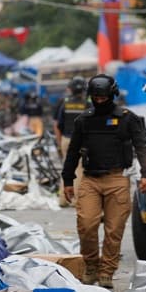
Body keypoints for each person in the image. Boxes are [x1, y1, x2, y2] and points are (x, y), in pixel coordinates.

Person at [61, 74, 146, 288]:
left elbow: (142, 148)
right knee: (86, 225)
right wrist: (68, 180)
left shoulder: (127, 118)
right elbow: (73, 152)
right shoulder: (83, 120)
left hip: (117, 179)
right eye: (96, 98)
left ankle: (107, 272)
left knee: (114, 230)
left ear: (112, 95)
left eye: (103, 97)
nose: (100, 101)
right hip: (90, 180)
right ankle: (91, 265)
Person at [53, 77, 89, 206]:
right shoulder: (87, 103)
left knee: (66, 167)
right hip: (80, 140)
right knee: (79, 170)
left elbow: (57, 125)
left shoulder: (65, 102)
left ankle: (63, 199)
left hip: (66, 139)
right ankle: (75, 200)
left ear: (70, 89)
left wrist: (59, 142)